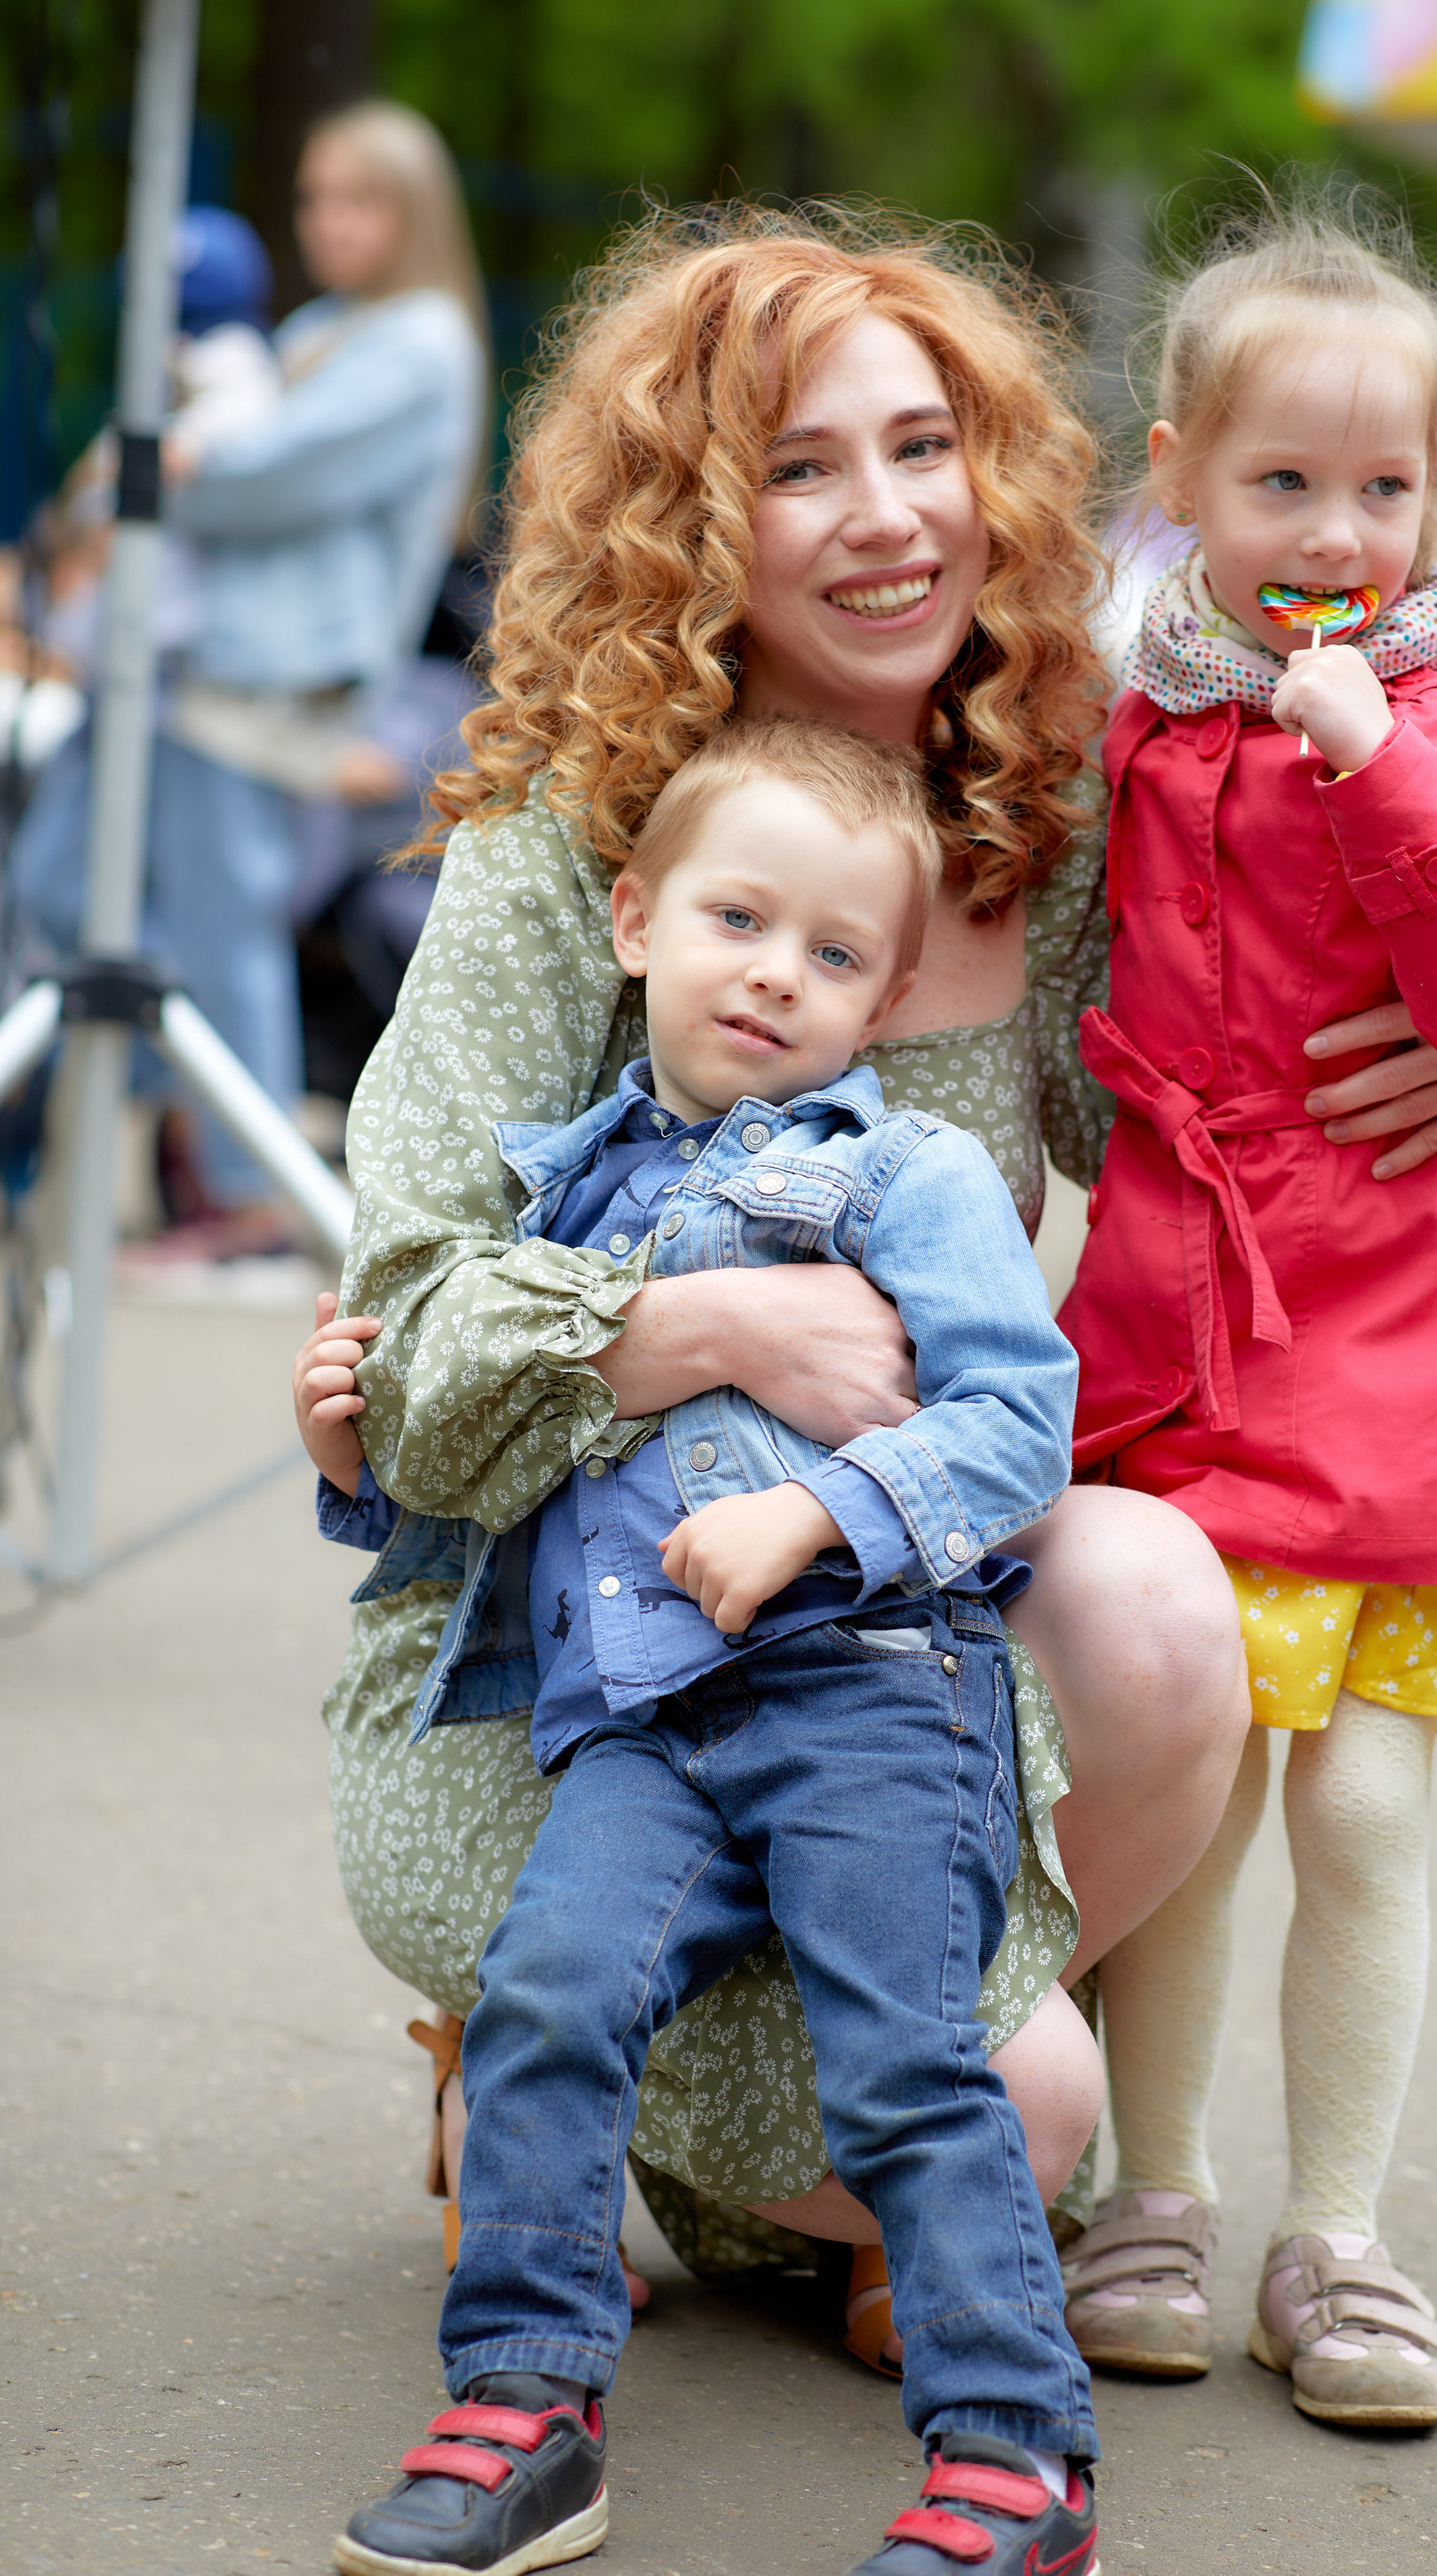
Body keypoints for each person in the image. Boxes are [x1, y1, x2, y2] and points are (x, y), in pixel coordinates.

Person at [293, 206, 1437, 2368]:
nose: (887, 519)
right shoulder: (571, 842)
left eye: (924, 447)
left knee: (1162, 1611)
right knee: (1011, 2122)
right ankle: (544, 2057)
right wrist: (692, 1328)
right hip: (583, 1654)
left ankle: (665, 2080)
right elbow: (404, 1322)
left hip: (890, 1622)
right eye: (802, 468)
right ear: (703, 520)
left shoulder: (1037, 804)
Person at [334, 716, 1101, 2576]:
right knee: (548, 2000)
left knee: (908, 2053)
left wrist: (819, 1514)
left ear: (890, 996)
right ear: (633, 921)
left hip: (868, 1696)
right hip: (642, 1717)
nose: (778, 973)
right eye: (739, 920)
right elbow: (500, 1469)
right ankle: (525, 2406)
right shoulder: (559, 1188)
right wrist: (357, 1457)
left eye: (837, 955)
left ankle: (1017, 2458)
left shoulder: (899, 1175)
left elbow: (1023, 1423)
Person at [1054, 196, 1437, 2429]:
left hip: (1411, 1323)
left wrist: (1373, 759)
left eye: (1383, 490)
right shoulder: (1127, 691)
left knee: (1367, 1819)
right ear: (1180, 468)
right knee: (1194, 1800)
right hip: (1195, 1322)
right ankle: (1162, 2197)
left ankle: (1347, 2239)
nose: (1338, 531)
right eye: (1283, 484)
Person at [13, 103, 488, 1255]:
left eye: (360, 198)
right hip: (176, 657)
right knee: (59, 888)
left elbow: (268, 477)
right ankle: (189, 1099)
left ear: (415, 211)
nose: (329, 222)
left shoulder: (424, 340)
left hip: (267, 678)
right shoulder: (326, 325)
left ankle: (247, 1185)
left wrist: (155, 458)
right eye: (316, 196)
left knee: (223, 921)